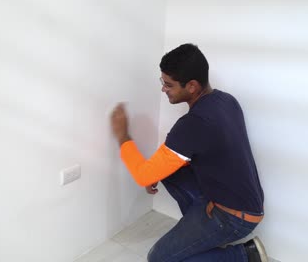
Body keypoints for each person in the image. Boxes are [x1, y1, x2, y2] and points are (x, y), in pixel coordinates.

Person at [110, 43, 268, 262]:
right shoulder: (226, 100)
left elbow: (142, 175)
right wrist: (153, 173)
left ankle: (244, 255)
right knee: (164, 169)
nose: (163, 89)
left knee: (159, 258)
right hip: (246, 201)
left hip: (235, 216)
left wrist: (122, 136)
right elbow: (209, 152)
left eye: (168, 84)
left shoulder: (193, 124)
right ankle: (200, 229)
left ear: (192, 86)